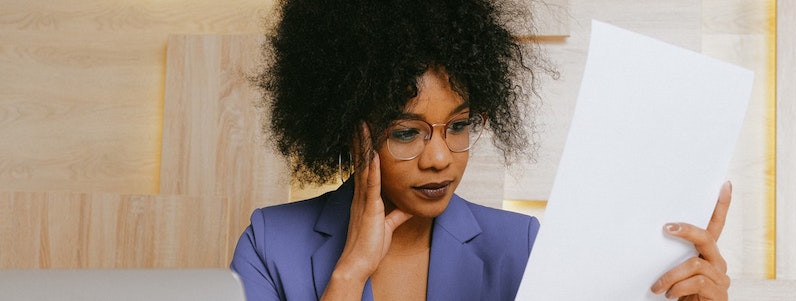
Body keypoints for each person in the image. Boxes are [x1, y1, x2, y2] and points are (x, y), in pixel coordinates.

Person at [230, 0, 732, 300]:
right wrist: (349, 274)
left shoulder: (521, 247)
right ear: (348, 129)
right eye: (406, 132)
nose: (440, 157)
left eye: (459, 125)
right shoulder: (270, 244)